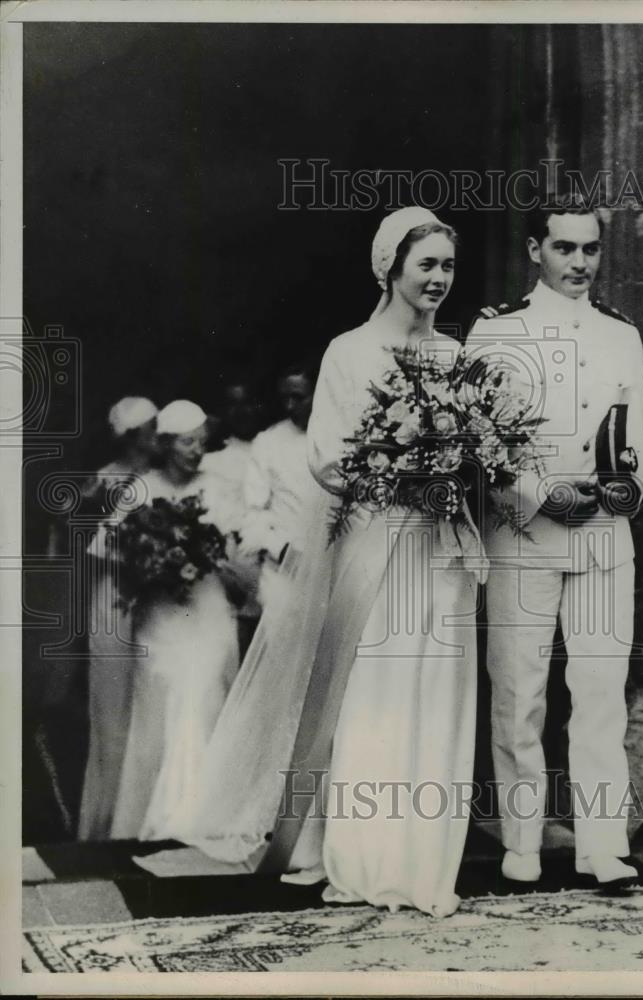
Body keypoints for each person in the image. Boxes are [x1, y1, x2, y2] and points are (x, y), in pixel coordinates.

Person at [135, 208, 485, 918]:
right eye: (427, 265)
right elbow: (326, 456)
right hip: (373, 545)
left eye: (448, 266)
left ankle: (423, 863)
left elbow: (473, 451)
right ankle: (362, 858)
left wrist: (457, 464)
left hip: (436, 548)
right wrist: (400, 468)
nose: (439, 279)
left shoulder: (452, 357)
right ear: (390, 267)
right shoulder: (349, 352)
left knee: (436, 689)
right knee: (375, 695)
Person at [466, 198, 643, 887]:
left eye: (590, 249)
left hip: (603, 535)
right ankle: (520, 840)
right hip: (525, 532)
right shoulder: (495, 333)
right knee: (519, 689)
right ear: (533, 250)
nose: (579, 263)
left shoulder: (619, 335)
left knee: (601, 689)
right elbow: (480, 443)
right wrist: (539, 493)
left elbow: (637, 436)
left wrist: (617, 492)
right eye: (565, 248)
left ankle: (600, 843)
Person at [110, 400, 248, 840]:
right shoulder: (140, 490)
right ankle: (163, 814)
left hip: (206, 609)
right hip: (161, 615)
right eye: (187, 442)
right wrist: (152, 566)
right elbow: (112, 554)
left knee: (204, 692)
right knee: (163, 705)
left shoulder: (221, 488)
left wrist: (209, 561)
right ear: (167, 444)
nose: (195, 451)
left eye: (201, 443)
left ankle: (198, 815)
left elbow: (238, 553)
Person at [78, 396, 158, 840]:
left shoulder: (161, 478)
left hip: (154, 596)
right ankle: (110, 818)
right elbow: (95, 548)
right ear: (132, 435)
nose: (156, 437)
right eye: (149, 429)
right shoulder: (106, 481)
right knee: (114, 700)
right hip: (116, 594)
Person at [240, 362, 316, 613]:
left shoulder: (339, 438)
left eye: (299, 397)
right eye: (285, 398)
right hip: (283, 568)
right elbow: (254, 512)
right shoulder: (268, 443)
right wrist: (280, 548)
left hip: (328, 565)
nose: (290, 407)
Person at [202, 377, 266, 656]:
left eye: (248, 403)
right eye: (233, 404)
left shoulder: (273, 448)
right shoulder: (210, 462)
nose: (242, 412)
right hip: (234, 573)